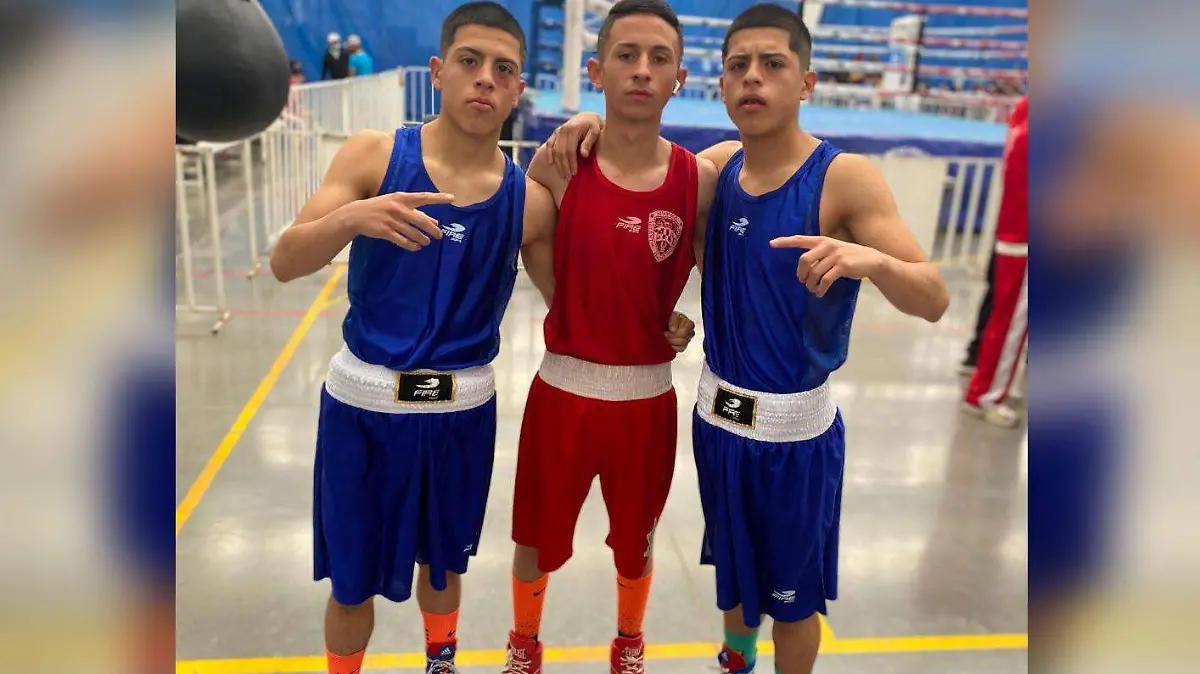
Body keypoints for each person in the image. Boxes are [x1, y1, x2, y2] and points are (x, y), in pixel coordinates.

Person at [544, 5, 949, 673]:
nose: (753, 78)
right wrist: (587, 122)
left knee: (793, 603)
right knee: (734, 575)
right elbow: (636, 159)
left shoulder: (843, 178)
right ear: (721, 84)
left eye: (773, 64)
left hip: (795, 440)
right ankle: (736, 660)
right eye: (739, 66)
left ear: (806, 82)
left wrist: (872, 262)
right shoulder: (717, 170)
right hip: (718, 425)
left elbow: (933, 297)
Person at [269, 5, 559, 674]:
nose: (485, 79)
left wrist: (662, 320)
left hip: (459, 415)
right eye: (469, 61)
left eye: (504, 69)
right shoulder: (375, 155)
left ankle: (441, 662)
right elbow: (285, 260)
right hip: (363, 412)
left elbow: (572, 310)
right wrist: (352, 218)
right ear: (438, 71)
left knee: (444, 564)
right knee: (351, 582)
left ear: (518, 89)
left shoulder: (530, 202)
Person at [498, 2, 716, 673]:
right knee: (534, 539)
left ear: (679, 77)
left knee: (637, 541)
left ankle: (628, 642)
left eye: (659, 58)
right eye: (626, 55)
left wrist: (683, 316)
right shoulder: (560, 164)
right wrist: (565, 300)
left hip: (647, 400)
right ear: (596, 70)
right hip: (562, 391)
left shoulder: (699, 180)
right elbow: (529, 238)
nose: (642, 70)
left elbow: (717, 269)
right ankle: (524, 645)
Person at [961, 95, 1028, 427]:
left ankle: (998, 385)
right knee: (1011, 324)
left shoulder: (1024, 115)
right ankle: (986, 394)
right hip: (1024, 238)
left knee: (1009, 322)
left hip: (1016, 234)